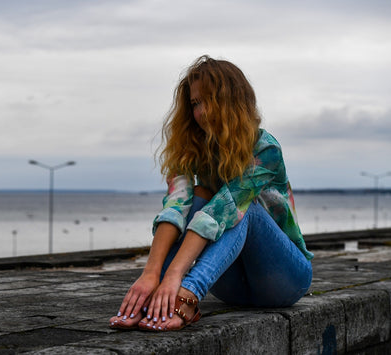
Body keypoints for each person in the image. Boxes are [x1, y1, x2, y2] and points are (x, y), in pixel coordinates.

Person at [108, 55, 313, 332]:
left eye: (208, 101)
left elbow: (223, 211)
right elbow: (175, 206)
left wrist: (177, 275)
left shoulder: (265, 149)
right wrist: (152, 274)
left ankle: (188, 294)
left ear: (231, 100)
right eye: (195, 104)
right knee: (198, 194)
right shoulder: (192, 147)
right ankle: (155, 293)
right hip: (231, 286)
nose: (201, 112)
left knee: (242, 209)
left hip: (284, 279)